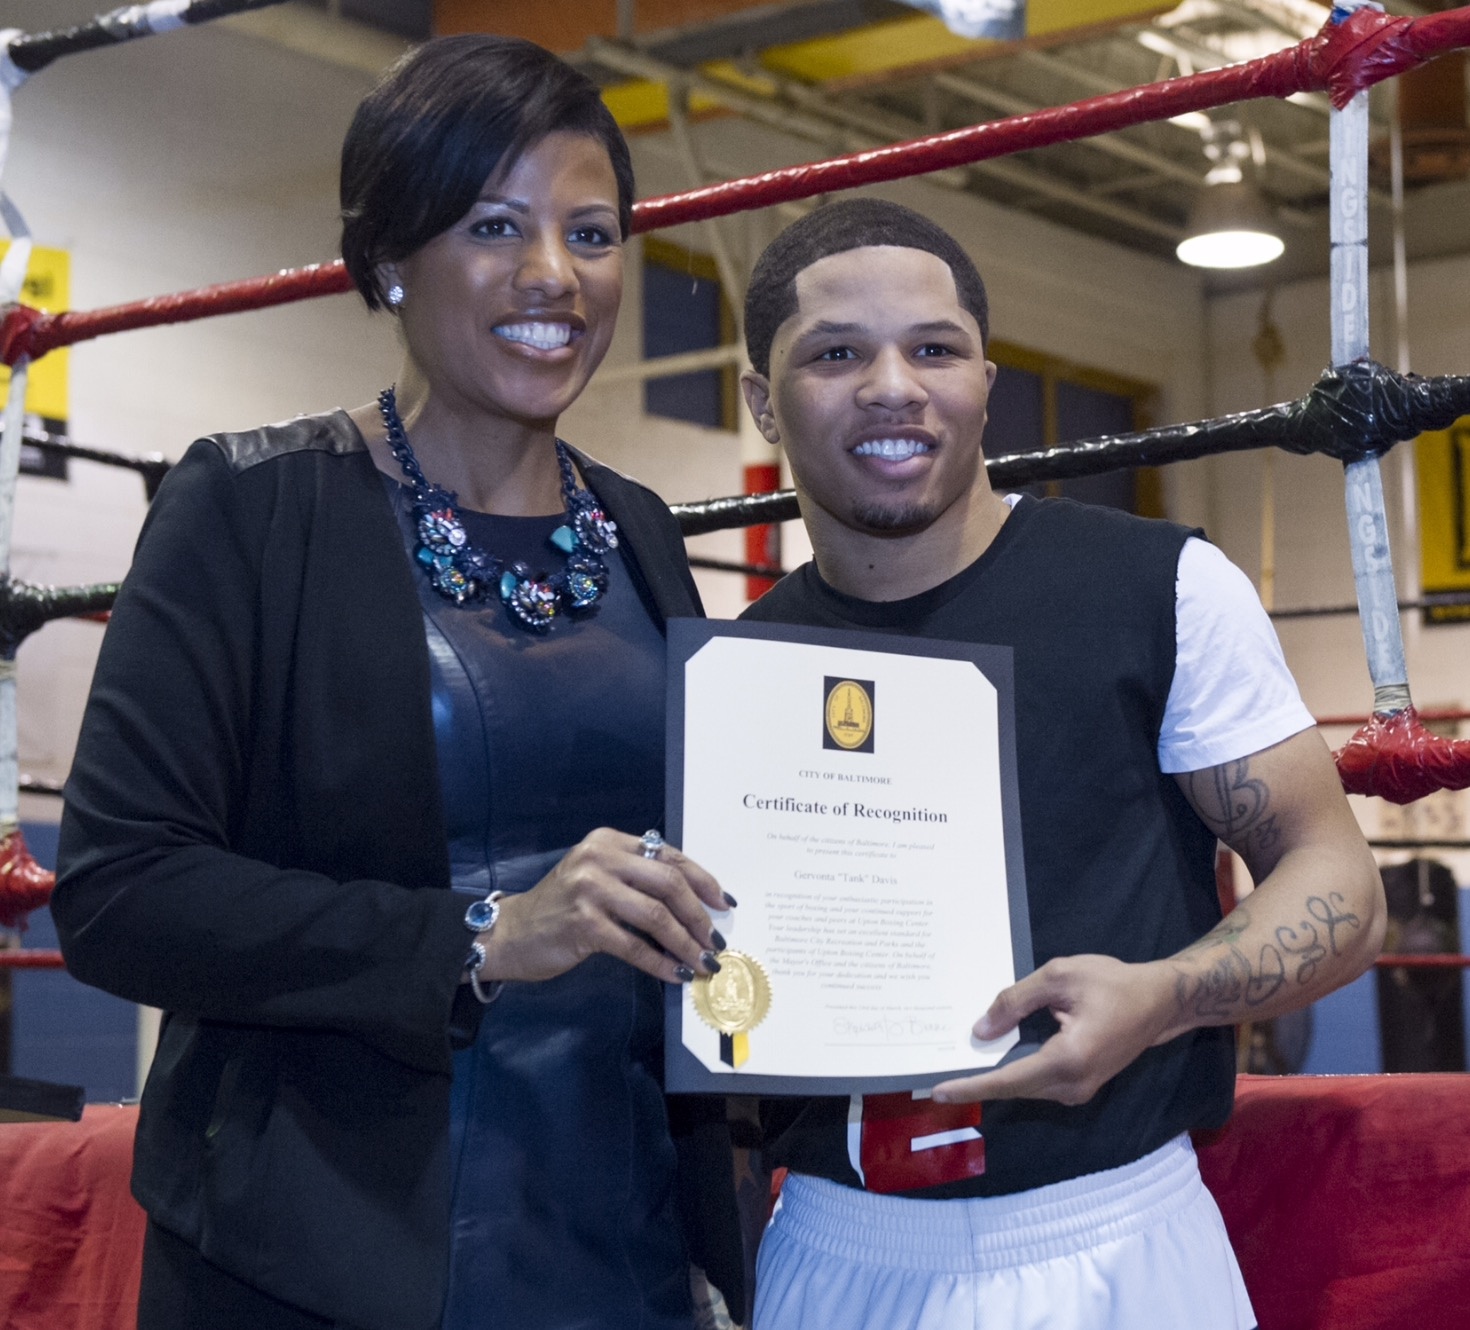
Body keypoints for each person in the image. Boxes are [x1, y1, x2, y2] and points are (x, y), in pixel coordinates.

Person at [51, 35, 745, 1330]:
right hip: (323, 1246)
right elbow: (117, 890)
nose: (554, 276)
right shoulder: (254, 503)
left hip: (620, 1233)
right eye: (494, 225)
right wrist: (483, 936)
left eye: (591, 233)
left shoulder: (643, 529)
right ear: (384, 258)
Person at [734, 198, 1384, 1330]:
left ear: (985, 378)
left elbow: (1341, 882)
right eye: (836, 354)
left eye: (934, 348)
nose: (893, 384)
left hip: (1119, 1233)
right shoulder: (737, 675)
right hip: (835, 1240)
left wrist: (1163, 998)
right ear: (761, 400)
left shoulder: (1162, 586)